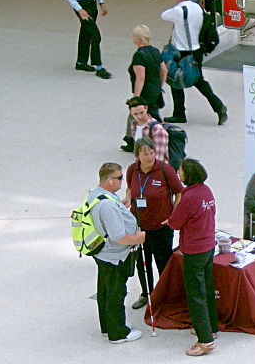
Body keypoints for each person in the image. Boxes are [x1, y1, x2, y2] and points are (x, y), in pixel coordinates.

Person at [165, 159, 219, 356]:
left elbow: (176, 223)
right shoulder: (207, 192)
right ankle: (211, 326)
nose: (178, 173)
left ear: (189, 174)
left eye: (180, 170)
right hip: (208, 247)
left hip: (194, 250)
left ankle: (205, 340)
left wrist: (170, 220)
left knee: (196, 294)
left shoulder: (189, 197)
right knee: (207, 287)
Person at [88, 162, 146, 343]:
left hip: (103, 253)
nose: (122, 182)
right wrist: (139, 238)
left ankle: (107, 326)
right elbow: (119, 236)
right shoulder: (107, 206)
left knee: (105, 291)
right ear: (109, 180)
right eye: (120, 178)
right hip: (115, 255)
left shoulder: (96, 195)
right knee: (116, 293)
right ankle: (118, 333)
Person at [124, 137, 183, 310]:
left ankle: (166, 296)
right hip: (139, 226)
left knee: (163, 262)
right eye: (145, 154)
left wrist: (174, 215)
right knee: (142, 262)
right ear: (137, 156)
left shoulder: (165, 169)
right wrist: (128, 198)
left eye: (151, 153)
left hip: (161, 227)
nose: (150, 157)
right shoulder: (132, 170)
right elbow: (130, 188)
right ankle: (146, 293)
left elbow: (179, 192)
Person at [160, 0, 228, 126]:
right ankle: (218, 107)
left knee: (175, 80)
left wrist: (176, 8)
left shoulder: (179, 10)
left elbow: (164, 15)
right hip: (196, 51)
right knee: (198, 80)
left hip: (181, 52)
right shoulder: (198, 8)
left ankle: (180, 113)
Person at [121, 25, 167, 152]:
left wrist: (136, 98)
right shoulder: (155, 51)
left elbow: (140, 77)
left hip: (145, 92)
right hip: (155, 90)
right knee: (135, 117)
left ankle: (163, 139)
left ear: (137, 38)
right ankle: (130, 139)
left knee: (149, 117)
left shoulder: (139, 56)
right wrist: (160, 85)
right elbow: (164, 70)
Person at [64, 0, 111, 79]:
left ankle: (81, 62)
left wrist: (101, 2)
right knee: (96, 36)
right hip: (81, 4)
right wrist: (79, 9)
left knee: (86, 33)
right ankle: (99, 68)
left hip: (91, 3)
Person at [126, 96, 168, 162]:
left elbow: (159, 158)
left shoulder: (157, 129)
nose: (139, 117)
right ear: (131, 112)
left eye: (141, 112)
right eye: (135, 114)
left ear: (146, 108)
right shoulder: (134, 124)